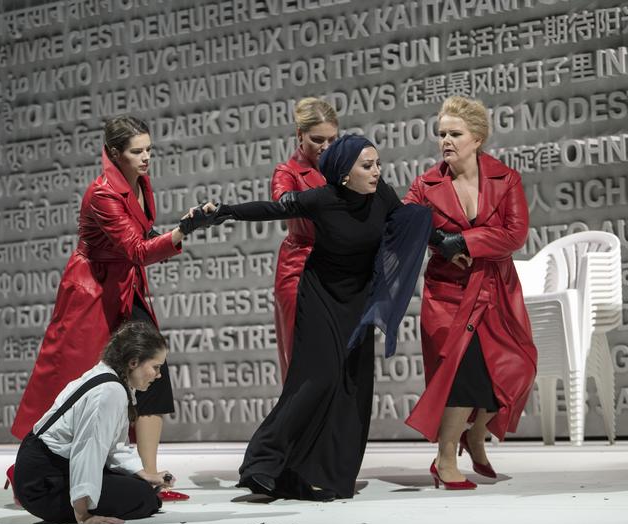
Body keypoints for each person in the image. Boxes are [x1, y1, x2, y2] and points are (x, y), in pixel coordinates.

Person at [184, 135, 431, 501]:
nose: (377, 171)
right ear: (345, 174)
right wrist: (224, 211)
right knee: (316, 379)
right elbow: (273, 210)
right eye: (368, 165)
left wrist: (451, 242)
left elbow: (410, 225)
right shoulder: (323, 198)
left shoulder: (383, 196)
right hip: (320, 297)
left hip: (357, 302)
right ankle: (260, 464)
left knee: (350, 387)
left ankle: (319, 475)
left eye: (378, 163)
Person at [8, 115, 201, 502]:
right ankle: (30, 470)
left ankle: (149, 477)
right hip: (92, 292)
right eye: (137, 151)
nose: (146, 158)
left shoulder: (140, 182)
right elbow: (137, 250)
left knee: (153, 373)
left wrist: (177, 232)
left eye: (149, 149)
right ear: (114, 153)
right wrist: (183, 231)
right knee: (79, 383)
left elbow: (141, 241)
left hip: (126, 289)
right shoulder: (102, 193)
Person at [402, 96, 537, 489]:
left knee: (515, 368)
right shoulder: (425, 184)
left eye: (454, 133)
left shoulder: (505, 179)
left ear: (477, 138)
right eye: (441, 133)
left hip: (495, 290)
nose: (446, 140)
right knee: (462, 373)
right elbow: (404, 224)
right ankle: (445, 459)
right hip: (447, 295)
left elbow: (514, 234)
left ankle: (476, 435)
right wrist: (437, 238)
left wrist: (461, 242)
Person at [13, 321, 174, 524]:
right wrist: (84, 515)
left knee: (143, 487)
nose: (159, 375)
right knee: (145, 499)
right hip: (41, 484)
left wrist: (145, 475)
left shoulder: (109, 377)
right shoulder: (109, 391)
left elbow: (114, 447)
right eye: (156, 367)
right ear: (133, 362)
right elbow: (88, 449)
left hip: (43, 468)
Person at [271, 97, 338, 381]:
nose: (326, 147)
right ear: (300, 135)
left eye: (333, 139)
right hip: (300, 269)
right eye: (318, 139)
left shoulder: (345, 167)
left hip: (338, 269)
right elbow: (281, 198)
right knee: (304, 362)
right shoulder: (287, 172)